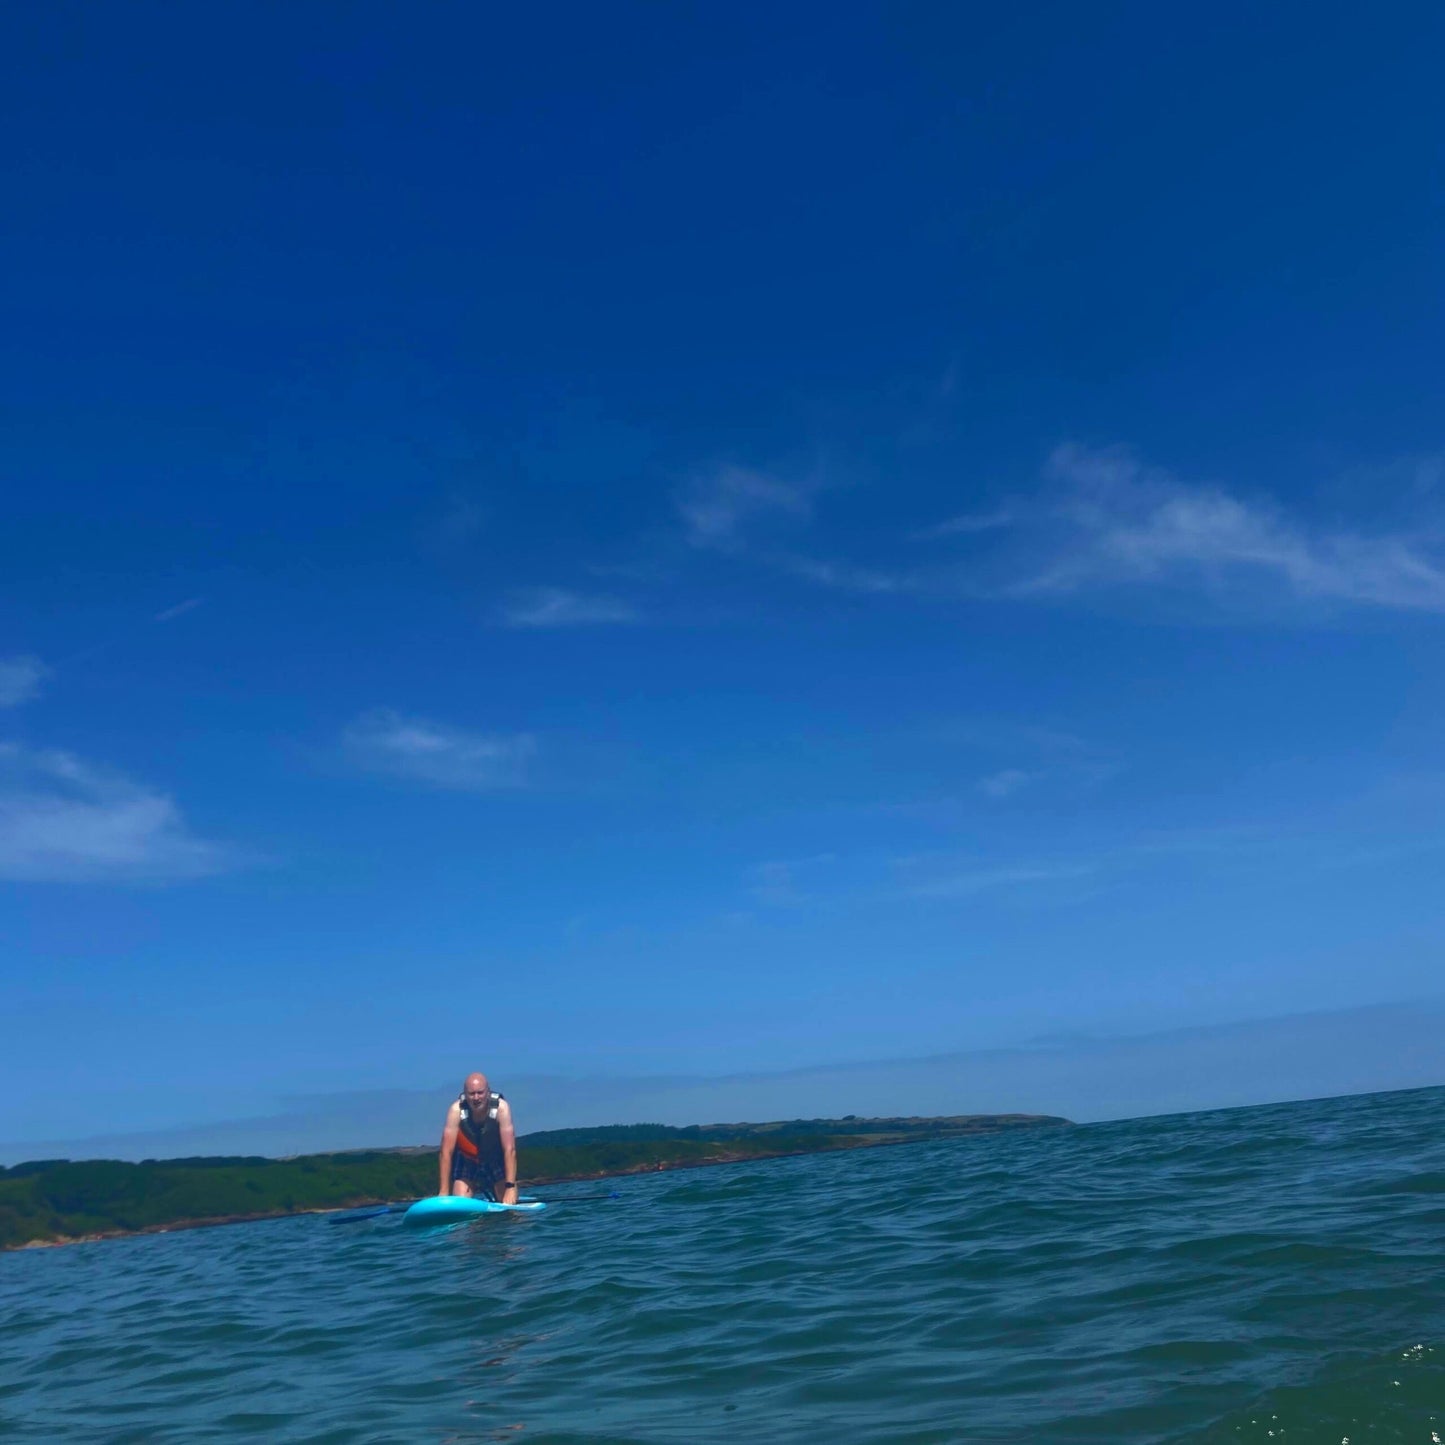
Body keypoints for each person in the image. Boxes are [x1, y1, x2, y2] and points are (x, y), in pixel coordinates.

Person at [438, 1072, 518, 1204]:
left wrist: (510, 1187)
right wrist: (443, 1192)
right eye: (471, 1094)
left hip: (494, 1158)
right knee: (461, 1202)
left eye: (480, 1093)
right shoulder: (456, 1110)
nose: (476, 1098)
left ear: (488, 1092)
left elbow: (510, 1149)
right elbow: (446, 1152)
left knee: (506, 1200)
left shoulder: (501, 1108)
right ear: (465, 1094)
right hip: (467, 1160)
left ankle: (505, 1191)